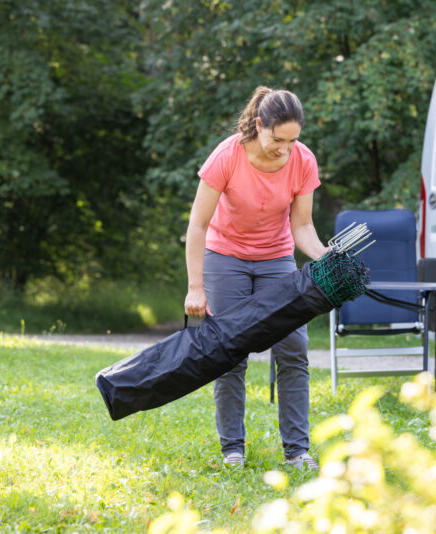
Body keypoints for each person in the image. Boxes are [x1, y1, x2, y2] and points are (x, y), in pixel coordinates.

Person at [184, 86, 327, 469]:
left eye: (293, 140)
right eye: (278, 139)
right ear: (259, 125)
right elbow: (197, 225)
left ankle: (297, 451)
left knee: (293, 351)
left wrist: (325, 257)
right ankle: (233, 448)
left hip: (276, 259)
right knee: (229, 352)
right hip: (224, 257)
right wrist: (195, 286)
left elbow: (303, 226)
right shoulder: (227, 156)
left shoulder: (302, 160)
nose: (285, 148)